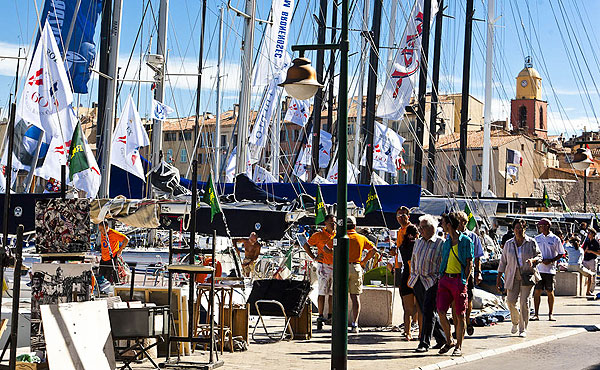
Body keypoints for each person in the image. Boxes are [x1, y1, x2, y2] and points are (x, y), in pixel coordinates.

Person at [496, 219, 542, 337]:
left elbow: (539, 256)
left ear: (525, 229)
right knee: (510, 301)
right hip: (512, 275)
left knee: (524, 302)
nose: (518, 231)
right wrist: (499, 277)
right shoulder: (508, 244)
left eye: (521, 228)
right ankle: (515, 321)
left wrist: (533, 260)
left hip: (527, 275)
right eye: (516, 228)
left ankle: (523, 329)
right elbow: (503, 261)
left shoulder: (531, 242)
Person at [436, 212, 473, 357]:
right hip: (445, 279)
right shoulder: (446, 242)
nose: (442, 226)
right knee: (441, 311)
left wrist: (465, 280)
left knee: (460, 315)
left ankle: (459, 346)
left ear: (449, 224)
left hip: (458, 280)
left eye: (443, 223)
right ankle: (449, 340)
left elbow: (469, 263)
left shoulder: (466, 241)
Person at [410, 215, 447, 353]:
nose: (420, 230)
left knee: (428, 311)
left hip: (432, 281)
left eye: (423, 227)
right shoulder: (418, 242)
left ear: (432, 228)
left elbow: (443, 263)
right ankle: (442, 338)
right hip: (418, 280)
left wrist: (438, 278)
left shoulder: (441, 243)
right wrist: (413, 276)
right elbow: (413, 260)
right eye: (420, 227)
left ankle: (424, 343)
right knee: (428, 312)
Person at [303, 214, 336, 330]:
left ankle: (331, 314)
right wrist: (313, 257)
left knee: (332, 293)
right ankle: (321, 315)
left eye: (335, 223)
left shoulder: (338, 235)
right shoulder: (318, 235)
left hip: (335, 265)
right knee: (322, 291)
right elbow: (306, 245)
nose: (333, 225)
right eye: (331, 223)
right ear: (325, 224)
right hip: (323, 266)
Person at [456, 211, 484, 336]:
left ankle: (467, 320)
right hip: (454, 271)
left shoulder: (473, 237)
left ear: (463, 222)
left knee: (469, 297)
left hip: (468, 272)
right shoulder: (451, 236)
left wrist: (478, 273)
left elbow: (478, 257)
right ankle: (458, 326)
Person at [347, 216, 377, 333]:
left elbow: (327, 249)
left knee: (340, 297)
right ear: (355, 226)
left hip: (343, 267)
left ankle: (340, 322)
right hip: (356, 267)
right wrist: (364, 261)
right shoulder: (361, 238)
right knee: (355, 297)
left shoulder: (339, 237)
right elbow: (374, 249)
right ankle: (355, 323)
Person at [532, 218, 565, 321]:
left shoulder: (555, 239)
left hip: (550, 270)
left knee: (550, 291)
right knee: (537, 291)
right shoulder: (537, 238)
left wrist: (551, 260)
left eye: (541, 226)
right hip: (539, 269)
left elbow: (561, 253)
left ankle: (550, 313)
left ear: (546, 226)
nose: (539, 228)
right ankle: (536, 314)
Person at [398, 224, 420, 341]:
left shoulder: (402, 246)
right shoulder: (419, 245)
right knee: (420, 307)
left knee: (407, 310)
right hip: (418, 278)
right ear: (417, 234)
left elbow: (400, 264)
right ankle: (421, 333)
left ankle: (407, 333)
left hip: (406, 277)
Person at [582, 228, 600, 296]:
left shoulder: (596, 242)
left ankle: (591, 290)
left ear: (593, 234)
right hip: (585, 259)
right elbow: (583, 250)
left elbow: (599, 253)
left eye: (589, 233)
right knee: (586, 275)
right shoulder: (586, 241)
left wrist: (591, 251)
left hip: (592, 260)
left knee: (593, 275)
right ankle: (585, 289)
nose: (588, 234)